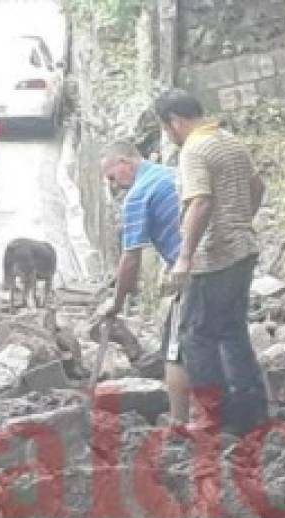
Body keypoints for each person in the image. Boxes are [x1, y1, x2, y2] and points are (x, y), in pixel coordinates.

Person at [155, 90, 269, 437]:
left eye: (166, 128)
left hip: (213, 257)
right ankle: (250, 412)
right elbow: (257, 186)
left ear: (175, 120)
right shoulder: (230, 141)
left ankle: (211, 417)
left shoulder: (194, 150)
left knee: (196, 336)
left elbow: (200, 203)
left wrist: (185, 256)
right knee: (232, 332)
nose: (169, 136)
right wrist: (240, 220)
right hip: (243, 250)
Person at [96, 140, 187, 422]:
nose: (114, 186)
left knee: (176, 351)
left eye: (112, 177)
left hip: (195, 271)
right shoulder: (172, 174)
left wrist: (117, 301)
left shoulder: (139, 194)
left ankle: (180, 424)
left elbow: (131, 257)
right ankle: (244, 414)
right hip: (223, 263)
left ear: (124, 162)